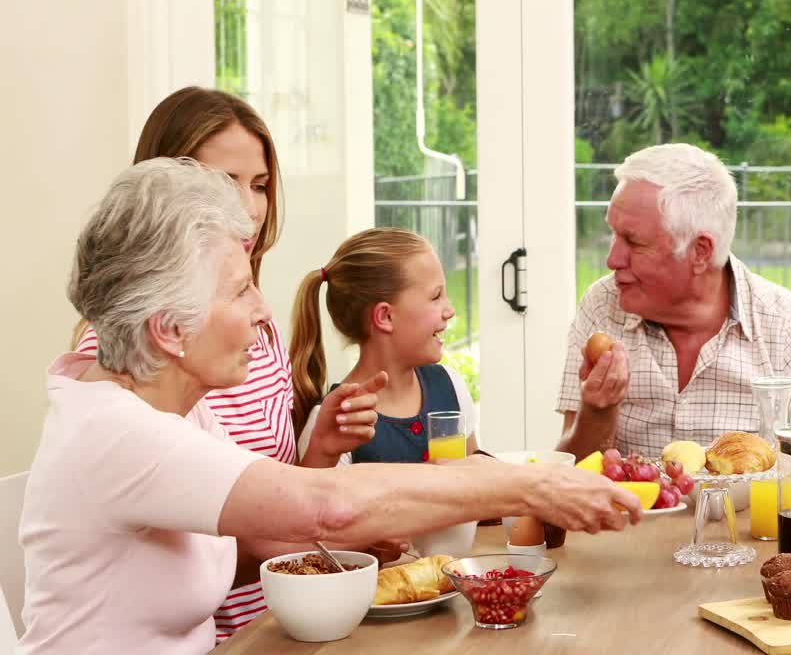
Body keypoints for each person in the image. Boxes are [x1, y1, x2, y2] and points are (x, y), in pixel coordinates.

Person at [19, 158, 640, 655]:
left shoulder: (171, 407)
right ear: (169, 330)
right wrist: (526, 488)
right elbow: (328, 509)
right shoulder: (116, 432)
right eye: (240, 292)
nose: (263, 311)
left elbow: (264, 539)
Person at [69, 87, 348, 639]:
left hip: (274, 622)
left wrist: (321, 451)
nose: (248, 206)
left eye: (260, 185)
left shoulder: (255, 330)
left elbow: (281, 498)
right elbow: (213, 538)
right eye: (224, 183)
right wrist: (346, 530)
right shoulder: (119, 363)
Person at [555, 143, 791, 459]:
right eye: (613, 234)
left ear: (700, 252)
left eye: (633, 242)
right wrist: (597, 412)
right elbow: (570, 472)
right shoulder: (602, 306)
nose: (612, 259)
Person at [292, 228, 478, 464]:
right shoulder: (335, 424)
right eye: (435, 296)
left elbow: (477, 484)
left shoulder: (451, 386)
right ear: (385, 317)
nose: (450, 310)